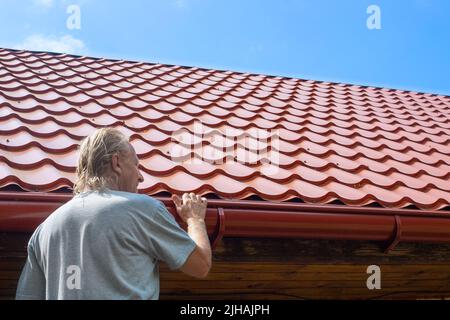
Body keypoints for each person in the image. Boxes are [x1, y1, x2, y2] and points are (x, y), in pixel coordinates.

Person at [15, 127, 212, 299]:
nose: (141, 176)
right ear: (116, 163)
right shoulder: (143, 209)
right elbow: (201, 265)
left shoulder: (45, 229)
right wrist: (195, 220)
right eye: (136, 165)